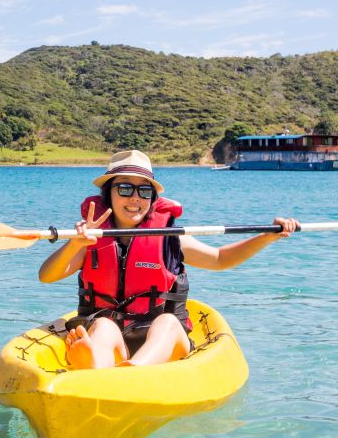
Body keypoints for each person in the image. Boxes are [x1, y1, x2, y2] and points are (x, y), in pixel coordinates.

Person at [39, 149, 298, 369]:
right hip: (114, 335)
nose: (135, 198)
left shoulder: (170, 237)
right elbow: (47, 276)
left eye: (144, 191)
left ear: (152, 199)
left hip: (161, 339)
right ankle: (97, 366)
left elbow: (220, 259)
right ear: (109, 194)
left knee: (168, 322)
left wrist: (266, 237)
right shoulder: (90, 239)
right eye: (125, 188)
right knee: (104, 327)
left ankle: (132, 372)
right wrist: (74, 244)